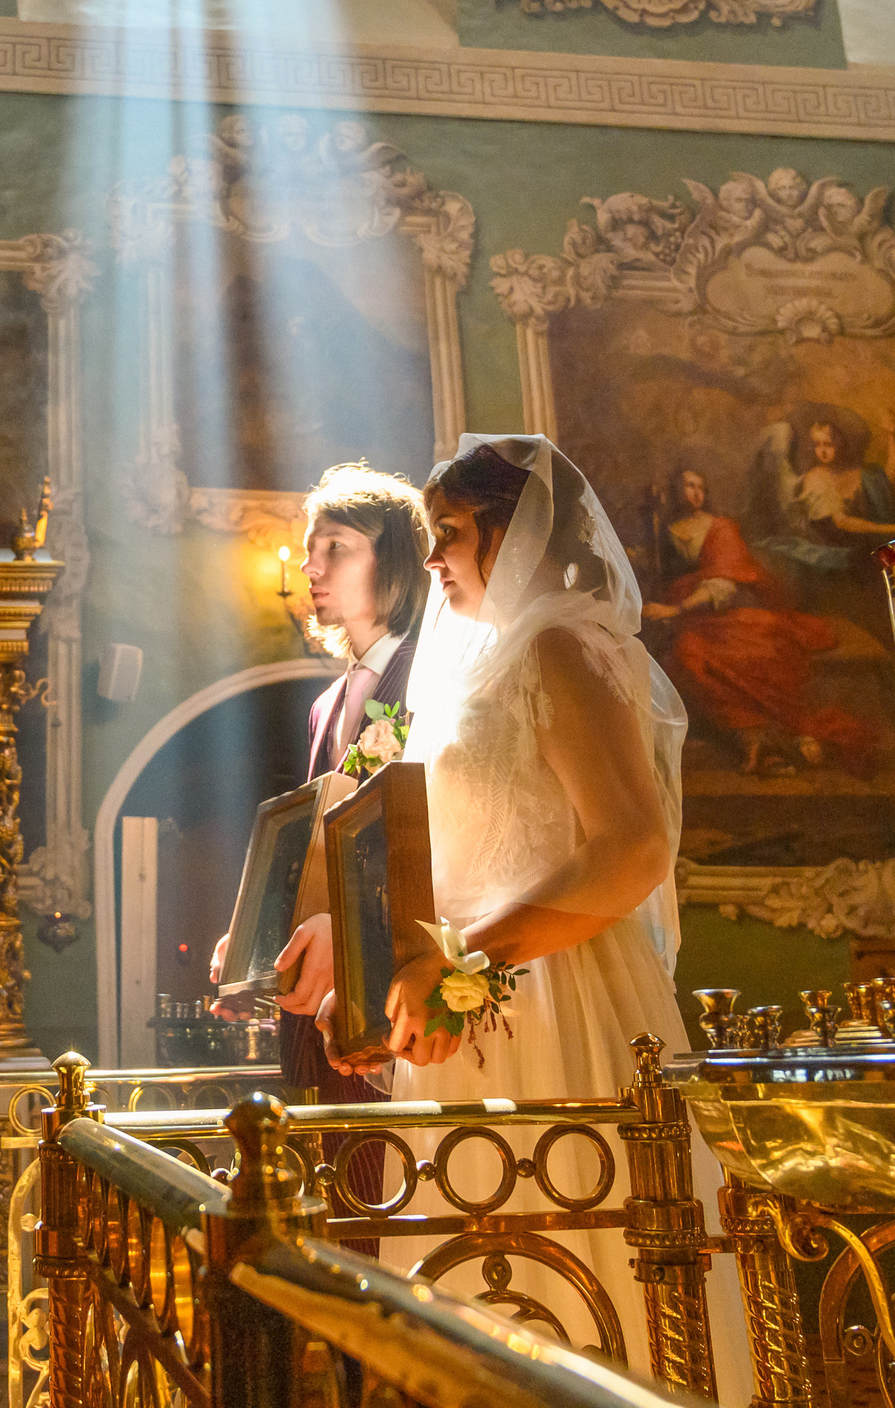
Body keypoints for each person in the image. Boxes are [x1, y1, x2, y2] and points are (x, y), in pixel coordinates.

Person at [321, 435, 749, 1398]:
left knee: (582, 1293)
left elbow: (633, 846)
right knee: (477, 1307)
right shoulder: (476, 665)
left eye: (453, 535)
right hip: (472, 1009)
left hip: (560, 999)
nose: (431, 561)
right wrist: (377, 982)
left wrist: (467, 965)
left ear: (517, 535)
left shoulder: (564, 644)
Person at [208, 464, 431, 1100]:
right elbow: (319, 850)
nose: (311, 567)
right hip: (319, 1017)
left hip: (389, 1007)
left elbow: (432, 845)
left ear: (396, 559)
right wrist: (259, 941)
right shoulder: (327, 703)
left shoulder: (432, 677)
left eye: (336, 547)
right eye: (310, 549)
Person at [643, 466, 872, 778]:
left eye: (700, 486)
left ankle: (763, 742)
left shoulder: (720, 528)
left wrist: (675, 610)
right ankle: (757, 744)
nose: (696, 492)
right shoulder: (665, 529)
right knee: (686, 655)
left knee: (742, 651)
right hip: (684, 622)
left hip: (715, 616)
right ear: (675, 489)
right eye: (688, 485)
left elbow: (723, 586)